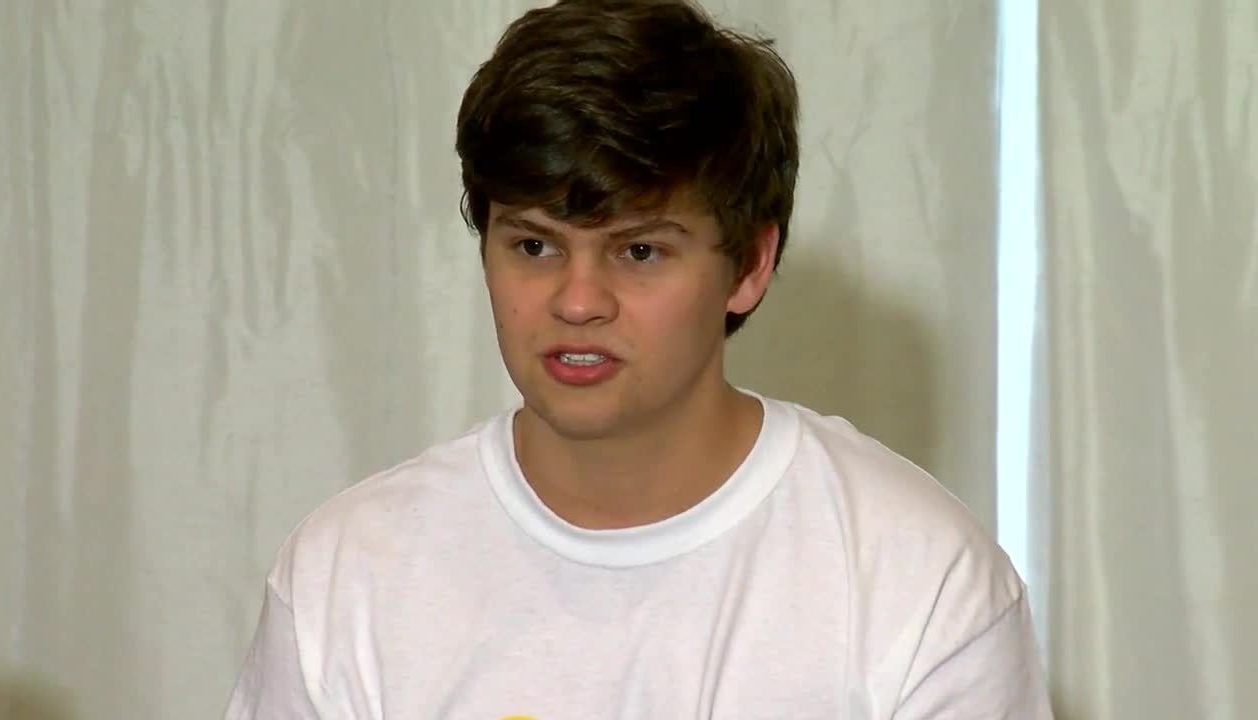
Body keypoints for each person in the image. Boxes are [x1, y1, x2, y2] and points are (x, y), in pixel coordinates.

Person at [225, 0, 1053, 717]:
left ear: (750, 266)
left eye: (640, 251)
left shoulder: (917, 577)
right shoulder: (348, 575)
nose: (578, 301)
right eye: (534, 245)